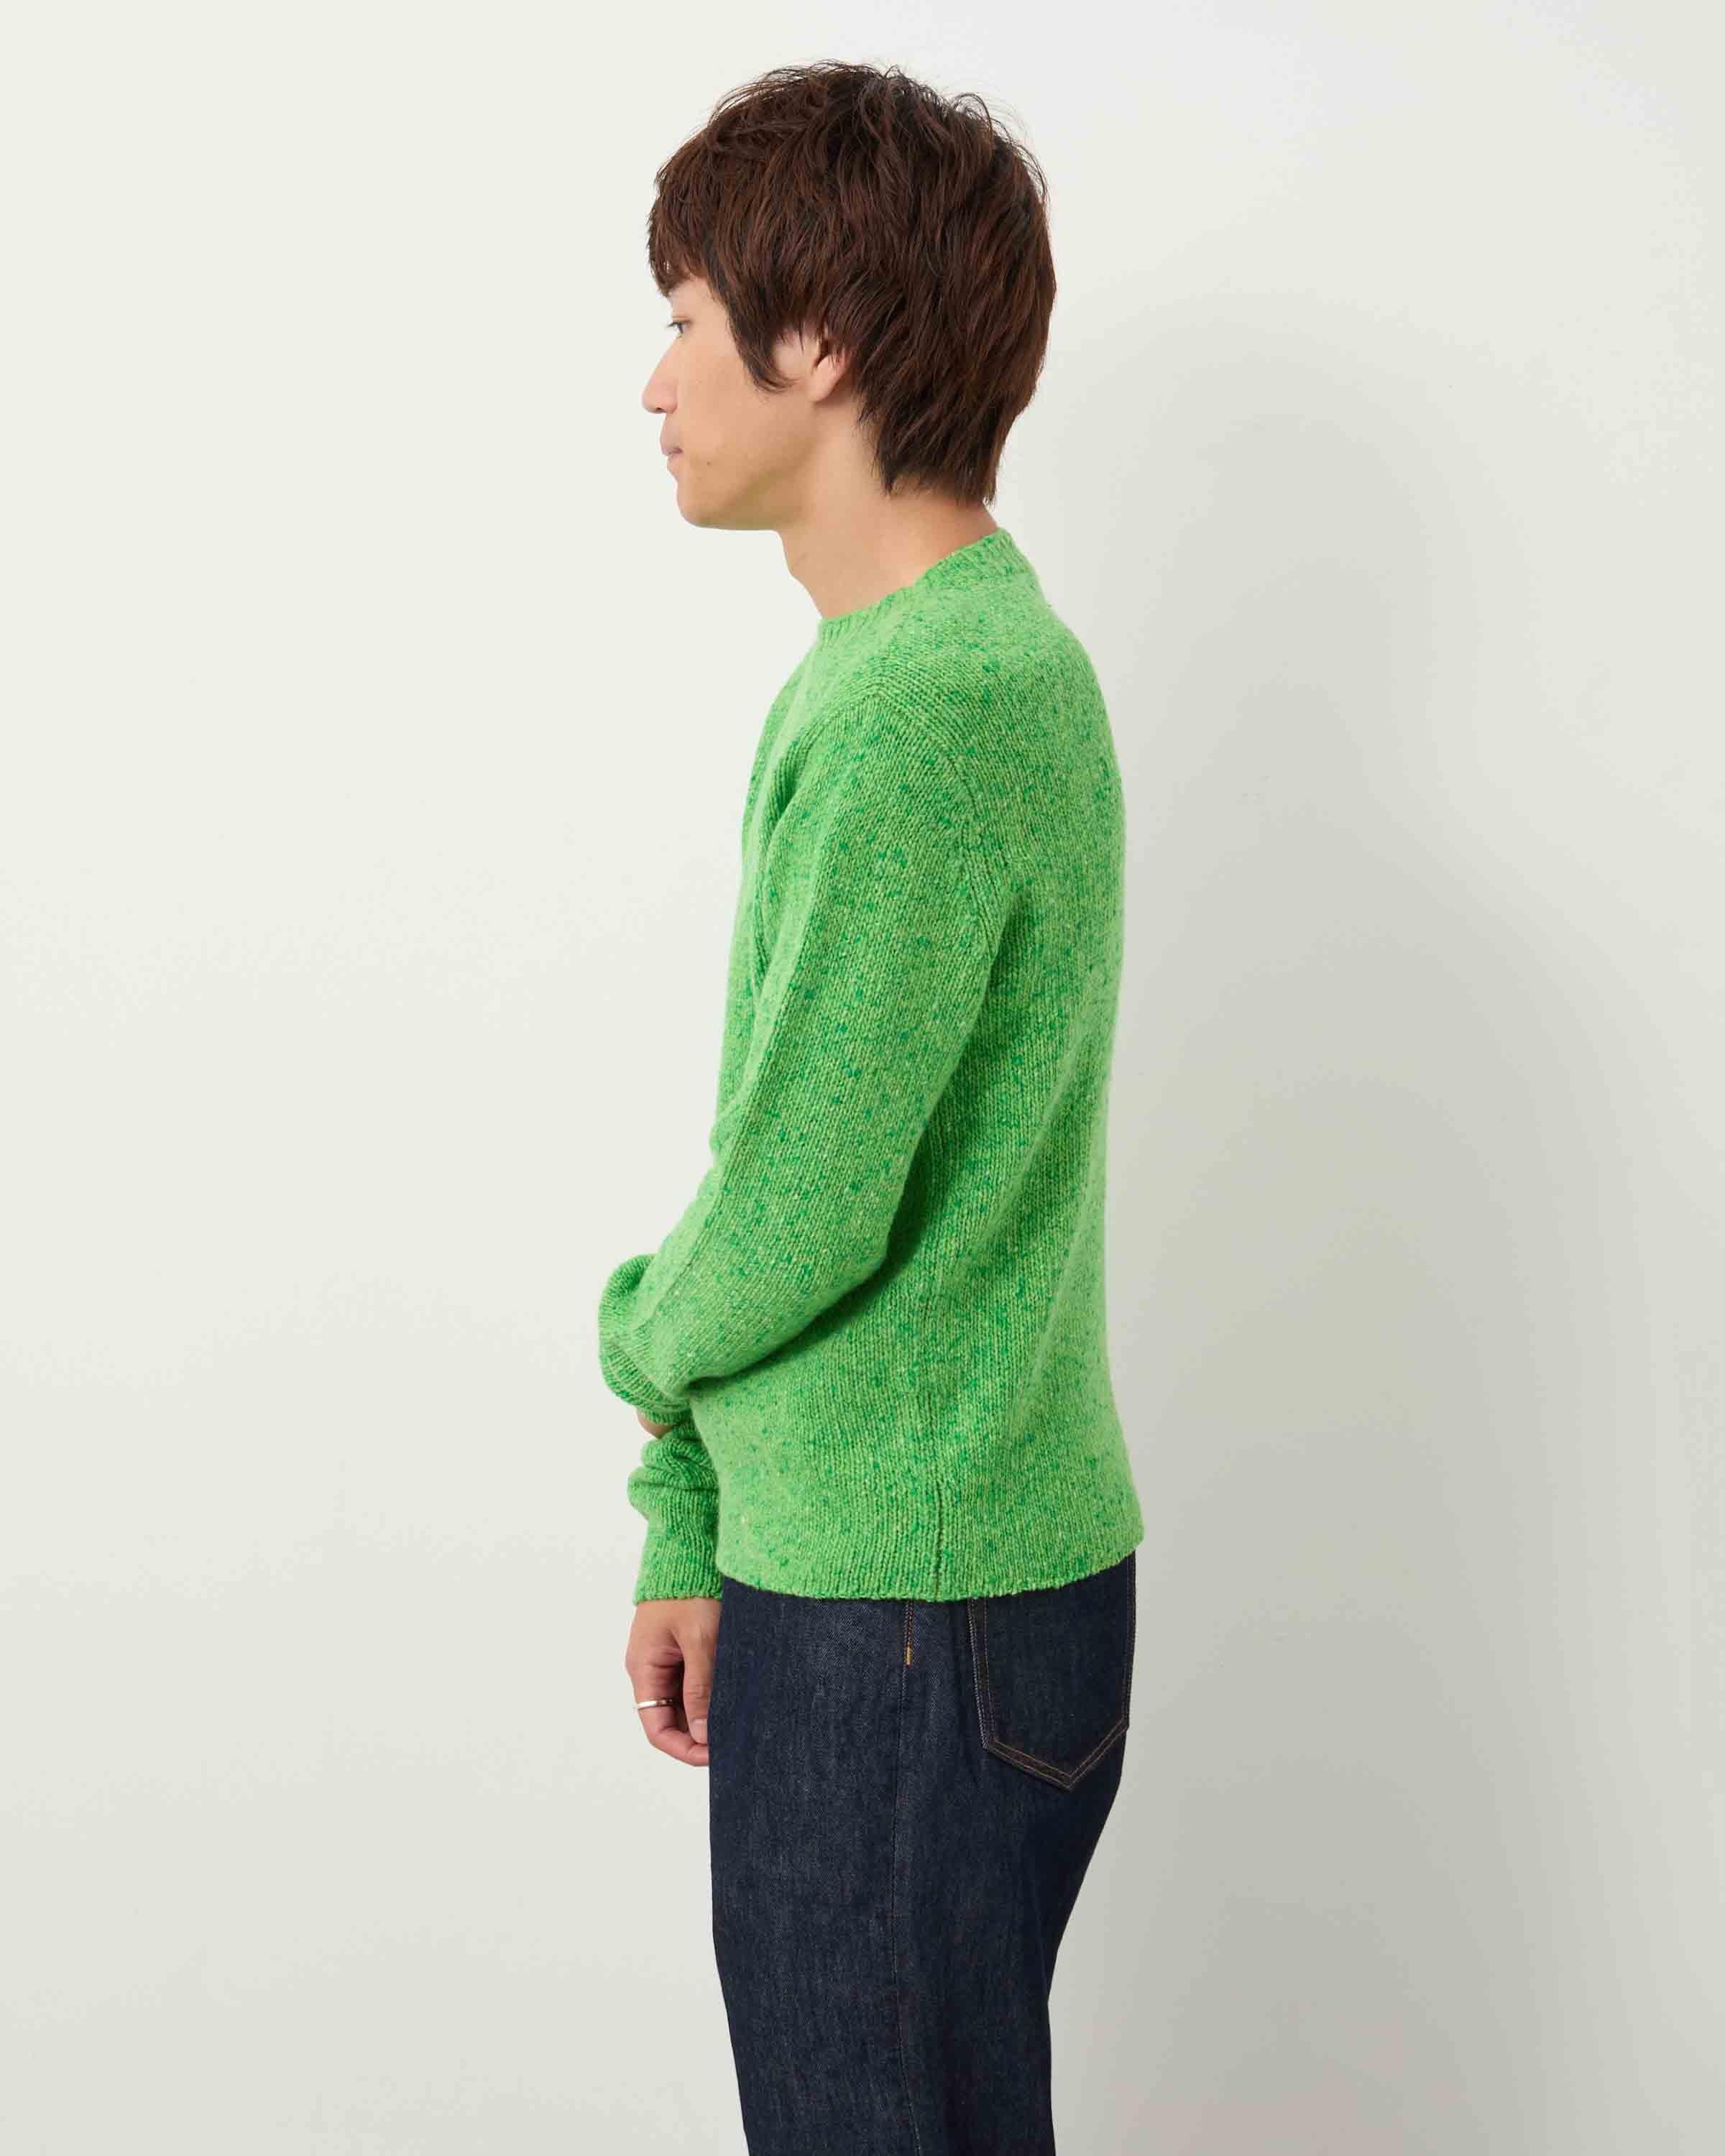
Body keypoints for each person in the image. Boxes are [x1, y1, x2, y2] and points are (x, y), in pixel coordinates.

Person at [598, 59, 1145, 2155]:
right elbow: (808, 1161)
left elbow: (799, 1207)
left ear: (816, 341)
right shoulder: (909, 668)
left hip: (907, 1619)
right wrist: (691, 1515)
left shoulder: (934, 705)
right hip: (905, 1578)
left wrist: (633, 1342)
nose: (655, 384)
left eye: (683, 318)